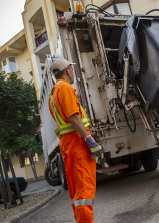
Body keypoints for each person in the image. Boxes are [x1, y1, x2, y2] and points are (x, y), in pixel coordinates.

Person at [48, 58, 103, 222]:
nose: (73, 72)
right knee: (84, 191)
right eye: (71, 69)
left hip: (68, 144)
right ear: (67, 70)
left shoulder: (54, 92)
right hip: (77, 143)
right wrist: (89, 139)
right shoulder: (65, 88)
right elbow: (73, 117)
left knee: (77, 194)